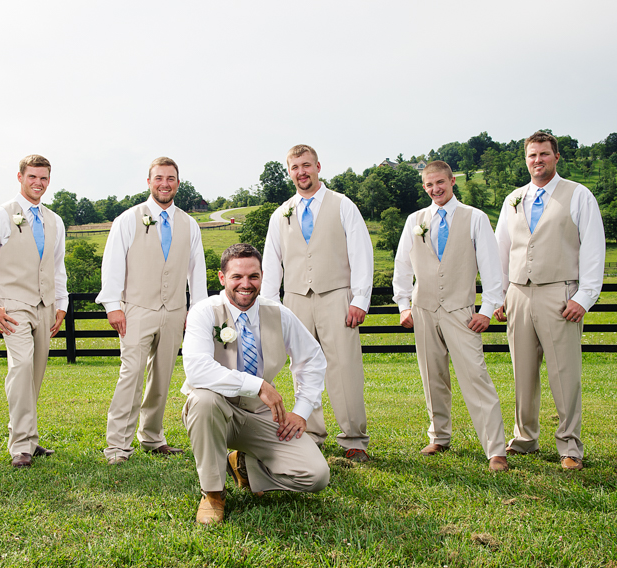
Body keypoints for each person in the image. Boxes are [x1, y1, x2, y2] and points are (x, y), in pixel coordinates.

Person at [182, 243, 330, 524]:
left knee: (316, 476)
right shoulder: (204, 312)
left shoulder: (278, 313)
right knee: (203, 399)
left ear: (262, 277)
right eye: (237, 276)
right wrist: (258, 385)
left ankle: (243, 466)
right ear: (222, 278)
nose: (246, 284)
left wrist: (301, 410)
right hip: (215, 410)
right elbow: (197, 369)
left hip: (260, 414)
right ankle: (213, 493)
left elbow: (312, 359)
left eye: (254, 276)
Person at [494, 131, 606, 471]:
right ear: (525, 160)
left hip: (561, 293)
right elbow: (500, 249)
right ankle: (525, 438)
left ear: (556, 157)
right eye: (532, 155)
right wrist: (497, 297)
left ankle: (570, 446)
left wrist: (584, 297)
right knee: (522, 371)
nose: (537, 160)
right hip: (517, 293)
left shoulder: (579, 195)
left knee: (564, 372)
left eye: (543, 154)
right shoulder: (513, 199)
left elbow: (593, 248)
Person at [393, 161, 508, 472]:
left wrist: (487, 309)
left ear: (452, 180)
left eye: (440, 182)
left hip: (461, 310)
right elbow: (402, 266)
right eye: (429, 185)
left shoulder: (475, 218)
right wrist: (404, 305)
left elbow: (491, 268)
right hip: (423, 310)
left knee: (476, 377)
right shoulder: (415, 220)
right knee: (432, 378)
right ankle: (439, 437)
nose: (435, 189)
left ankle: (496, 450)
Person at [261, 144, 374, 462]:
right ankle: (311, 433)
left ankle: (354, 438)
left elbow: (361, 254)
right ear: (289, 172)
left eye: (306, 165)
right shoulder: (280, 214)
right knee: (302, 367)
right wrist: (271, 307)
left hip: (337, 295)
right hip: (295, 299)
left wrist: (360, 299)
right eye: (295, 167)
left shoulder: (342, 205)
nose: (302, 172)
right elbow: (272, 264)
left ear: (318, 166)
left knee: (344, 367)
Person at [97, 157, 206, 464]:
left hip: (174, 311)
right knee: (130, 375)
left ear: (178, 184)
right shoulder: (128, 219)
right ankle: (118, 446)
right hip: (135, 310)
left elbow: (196, 270)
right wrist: (113, 307)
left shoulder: (190, 223)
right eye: (159, 178)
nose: (164, 184)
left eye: (170, 179)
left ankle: (152, 437)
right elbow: (113, 264)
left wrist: (195, 310)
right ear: (149, 182)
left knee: (162, 376)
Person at [0, 155, 68, 468]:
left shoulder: (55, 221)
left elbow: (57, 266)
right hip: (11, 306)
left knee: (35, 372)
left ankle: (30, 439)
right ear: (20, 177)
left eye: (44, 178)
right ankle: (20, 445)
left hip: (45, 306)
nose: (38, 183)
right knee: (21, 365)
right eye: (32, 177)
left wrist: (61, 304)